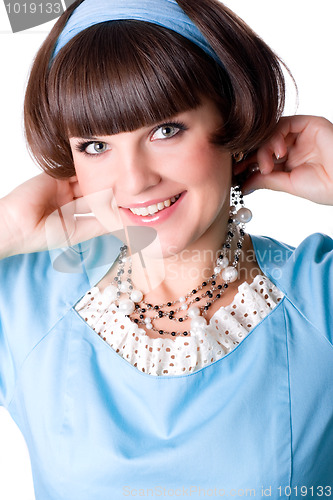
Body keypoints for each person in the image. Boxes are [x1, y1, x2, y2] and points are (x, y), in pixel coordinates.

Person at [0, 0, 332, 498]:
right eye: (94, 145)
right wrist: (6, 227)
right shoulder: (24, 301)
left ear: (232, 121)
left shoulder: (319, 299)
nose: (135, 180)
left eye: (166, 130)